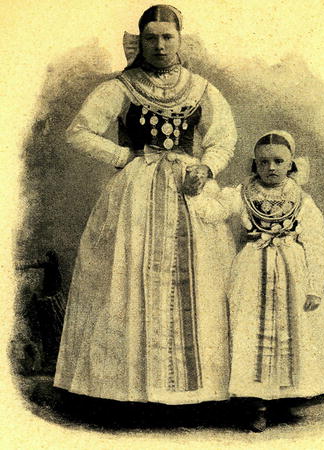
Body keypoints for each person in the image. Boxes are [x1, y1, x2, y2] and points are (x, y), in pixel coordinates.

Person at [54, 5, 237, 405]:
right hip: (135, 193)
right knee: (125, 276)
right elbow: (79, 131)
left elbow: (224, 137)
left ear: (180, 40)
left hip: (189, 189)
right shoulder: (122, 87)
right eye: (151, 38)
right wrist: (122, 156)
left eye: (167, 37)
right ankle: (127, 391)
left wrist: (206, 167)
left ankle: (200, 392)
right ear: (140, 41)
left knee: (202, 279)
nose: (159, 45)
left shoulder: (200, 88)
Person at [193, 130, 324, 431]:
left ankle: (286, 397)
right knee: (250, 330)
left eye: (278, 161)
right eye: (263, 162)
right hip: (251, 270)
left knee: (294, 329)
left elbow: (316, 244)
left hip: (294, 272)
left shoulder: (302, 200)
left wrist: (314, 286)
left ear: (291, 163)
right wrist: (196, 192)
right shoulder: (241, 193)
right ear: (255, 164)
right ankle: (256, 403)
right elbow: (213, 212)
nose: (271, 168)